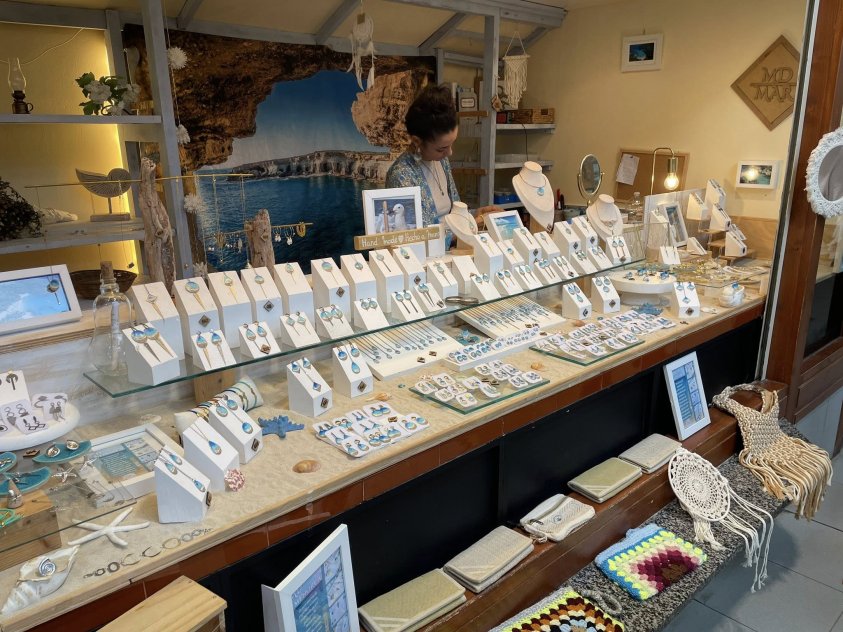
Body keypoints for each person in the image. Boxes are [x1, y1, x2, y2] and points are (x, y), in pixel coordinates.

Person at [386, 84, 500, 241]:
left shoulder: (441, 161)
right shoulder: (401, 176)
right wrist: (473, 224)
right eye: (442, 149)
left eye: (452, 144)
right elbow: (420, 237)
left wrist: (474, 215)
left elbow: (450, 216)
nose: (449, 153)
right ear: (417, 141)